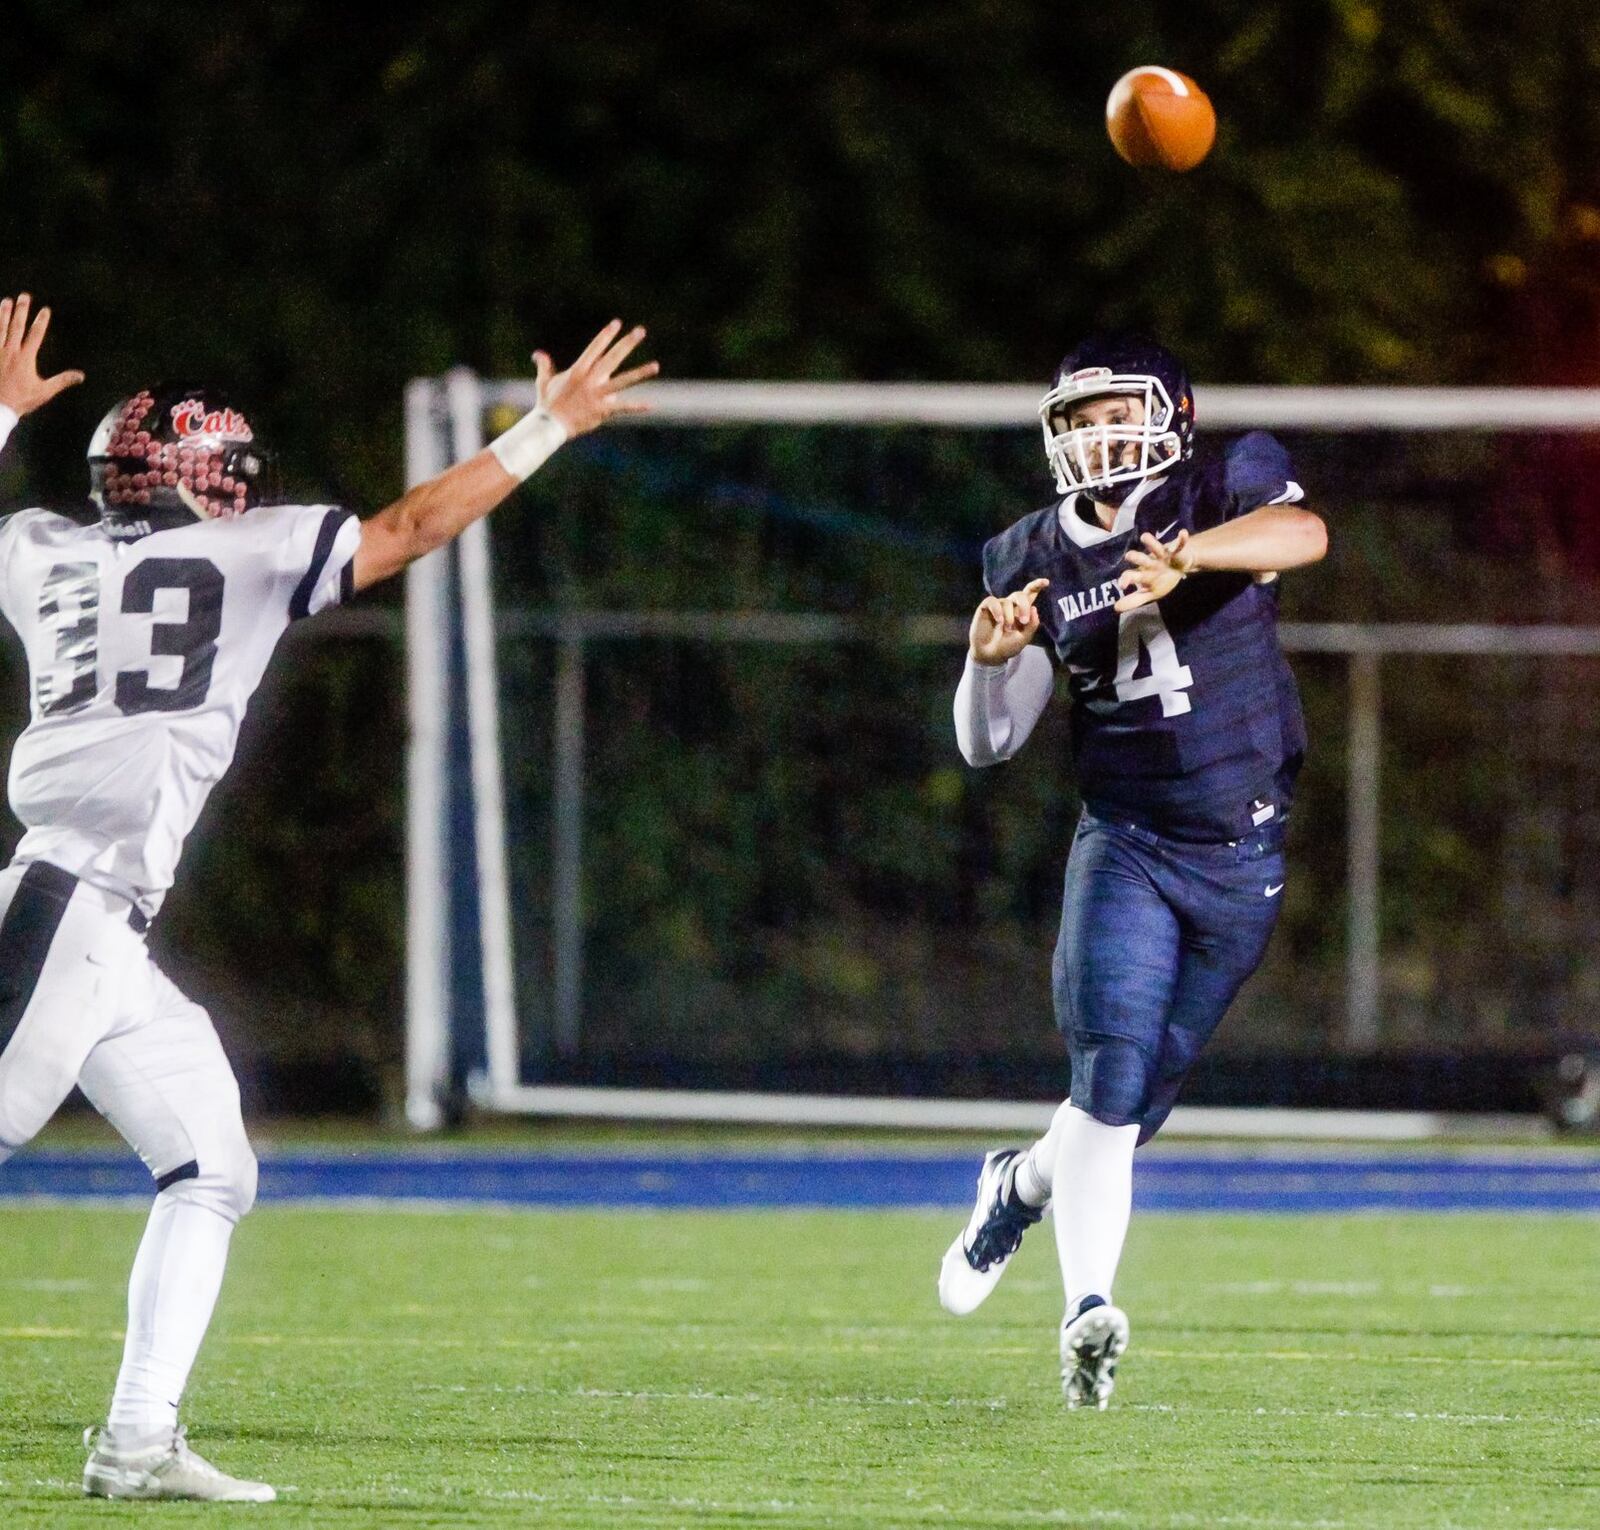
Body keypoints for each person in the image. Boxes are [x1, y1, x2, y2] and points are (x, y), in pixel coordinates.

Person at [0, 294, 656, 1500]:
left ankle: (138, 1439)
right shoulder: (250, 549)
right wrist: (546, 427)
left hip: (91, 917)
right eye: (224, 472)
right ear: (189, 478)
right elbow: (409, 525)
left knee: (210, 1165)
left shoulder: (35, 550)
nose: (241, 491)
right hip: (63, 906)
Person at [937, 333, 1326, 1408]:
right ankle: (1086, 1311)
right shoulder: (1025, 556)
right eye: (1080, 421)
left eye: (1117, 414)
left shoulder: (1224, 480)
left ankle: (1012, 1187)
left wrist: (1194, 555)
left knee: (1131, 1107)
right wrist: (988, 664)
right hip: (1129, 839)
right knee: (1108, 1076)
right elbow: (988, 742)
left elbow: (1303, 531)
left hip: (1241, 848)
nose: (1099, 436)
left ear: (1170, 412)